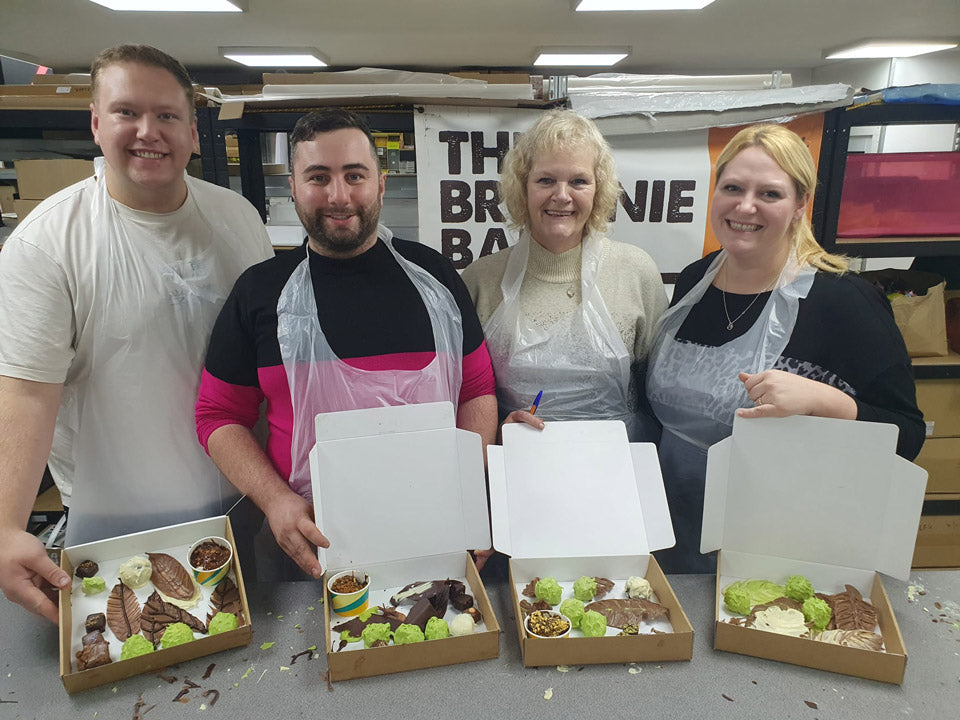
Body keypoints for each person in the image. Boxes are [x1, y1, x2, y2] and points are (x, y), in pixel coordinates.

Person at [0, 45, 274, 622]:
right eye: (127, 112)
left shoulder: (238, 219)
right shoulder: (47, 244)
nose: (148, 131)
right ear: (96, 124)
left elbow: (267, 359)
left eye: (167, 115)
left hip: (243, 502)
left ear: (193, 131)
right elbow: (26, 392)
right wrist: (5, 525)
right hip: (118, 523)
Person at [195, 109, 498, 580]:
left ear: (380, 184)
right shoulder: (258, 294)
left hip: (438, 529)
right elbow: (217, 415)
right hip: (313, 544)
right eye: (318, 177)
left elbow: (476, 390)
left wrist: (469, 491)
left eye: (354, 175)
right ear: (294, 187)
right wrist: (276, 501)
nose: (338, 196)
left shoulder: (436, 279)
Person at [646, 123, 925, 573]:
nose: (746, 206)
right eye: (732, 187)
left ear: (800, 204)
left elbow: (907, 436)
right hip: (671, 532)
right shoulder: (694, 280)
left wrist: (827, 401)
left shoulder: (844, 301)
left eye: (770, 194)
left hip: (776, 548)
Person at [461, 109, 668, 440]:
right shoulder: (479, 281)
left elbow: (658, 393)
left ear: (598, 190)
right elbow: (469, 398)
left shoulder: (636, 272)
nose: (561, 195)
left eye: (578, 181)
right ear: (522, 188)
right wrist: (502, 430)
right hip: (517, 465)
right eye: (545, 180)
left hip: (616, 469)